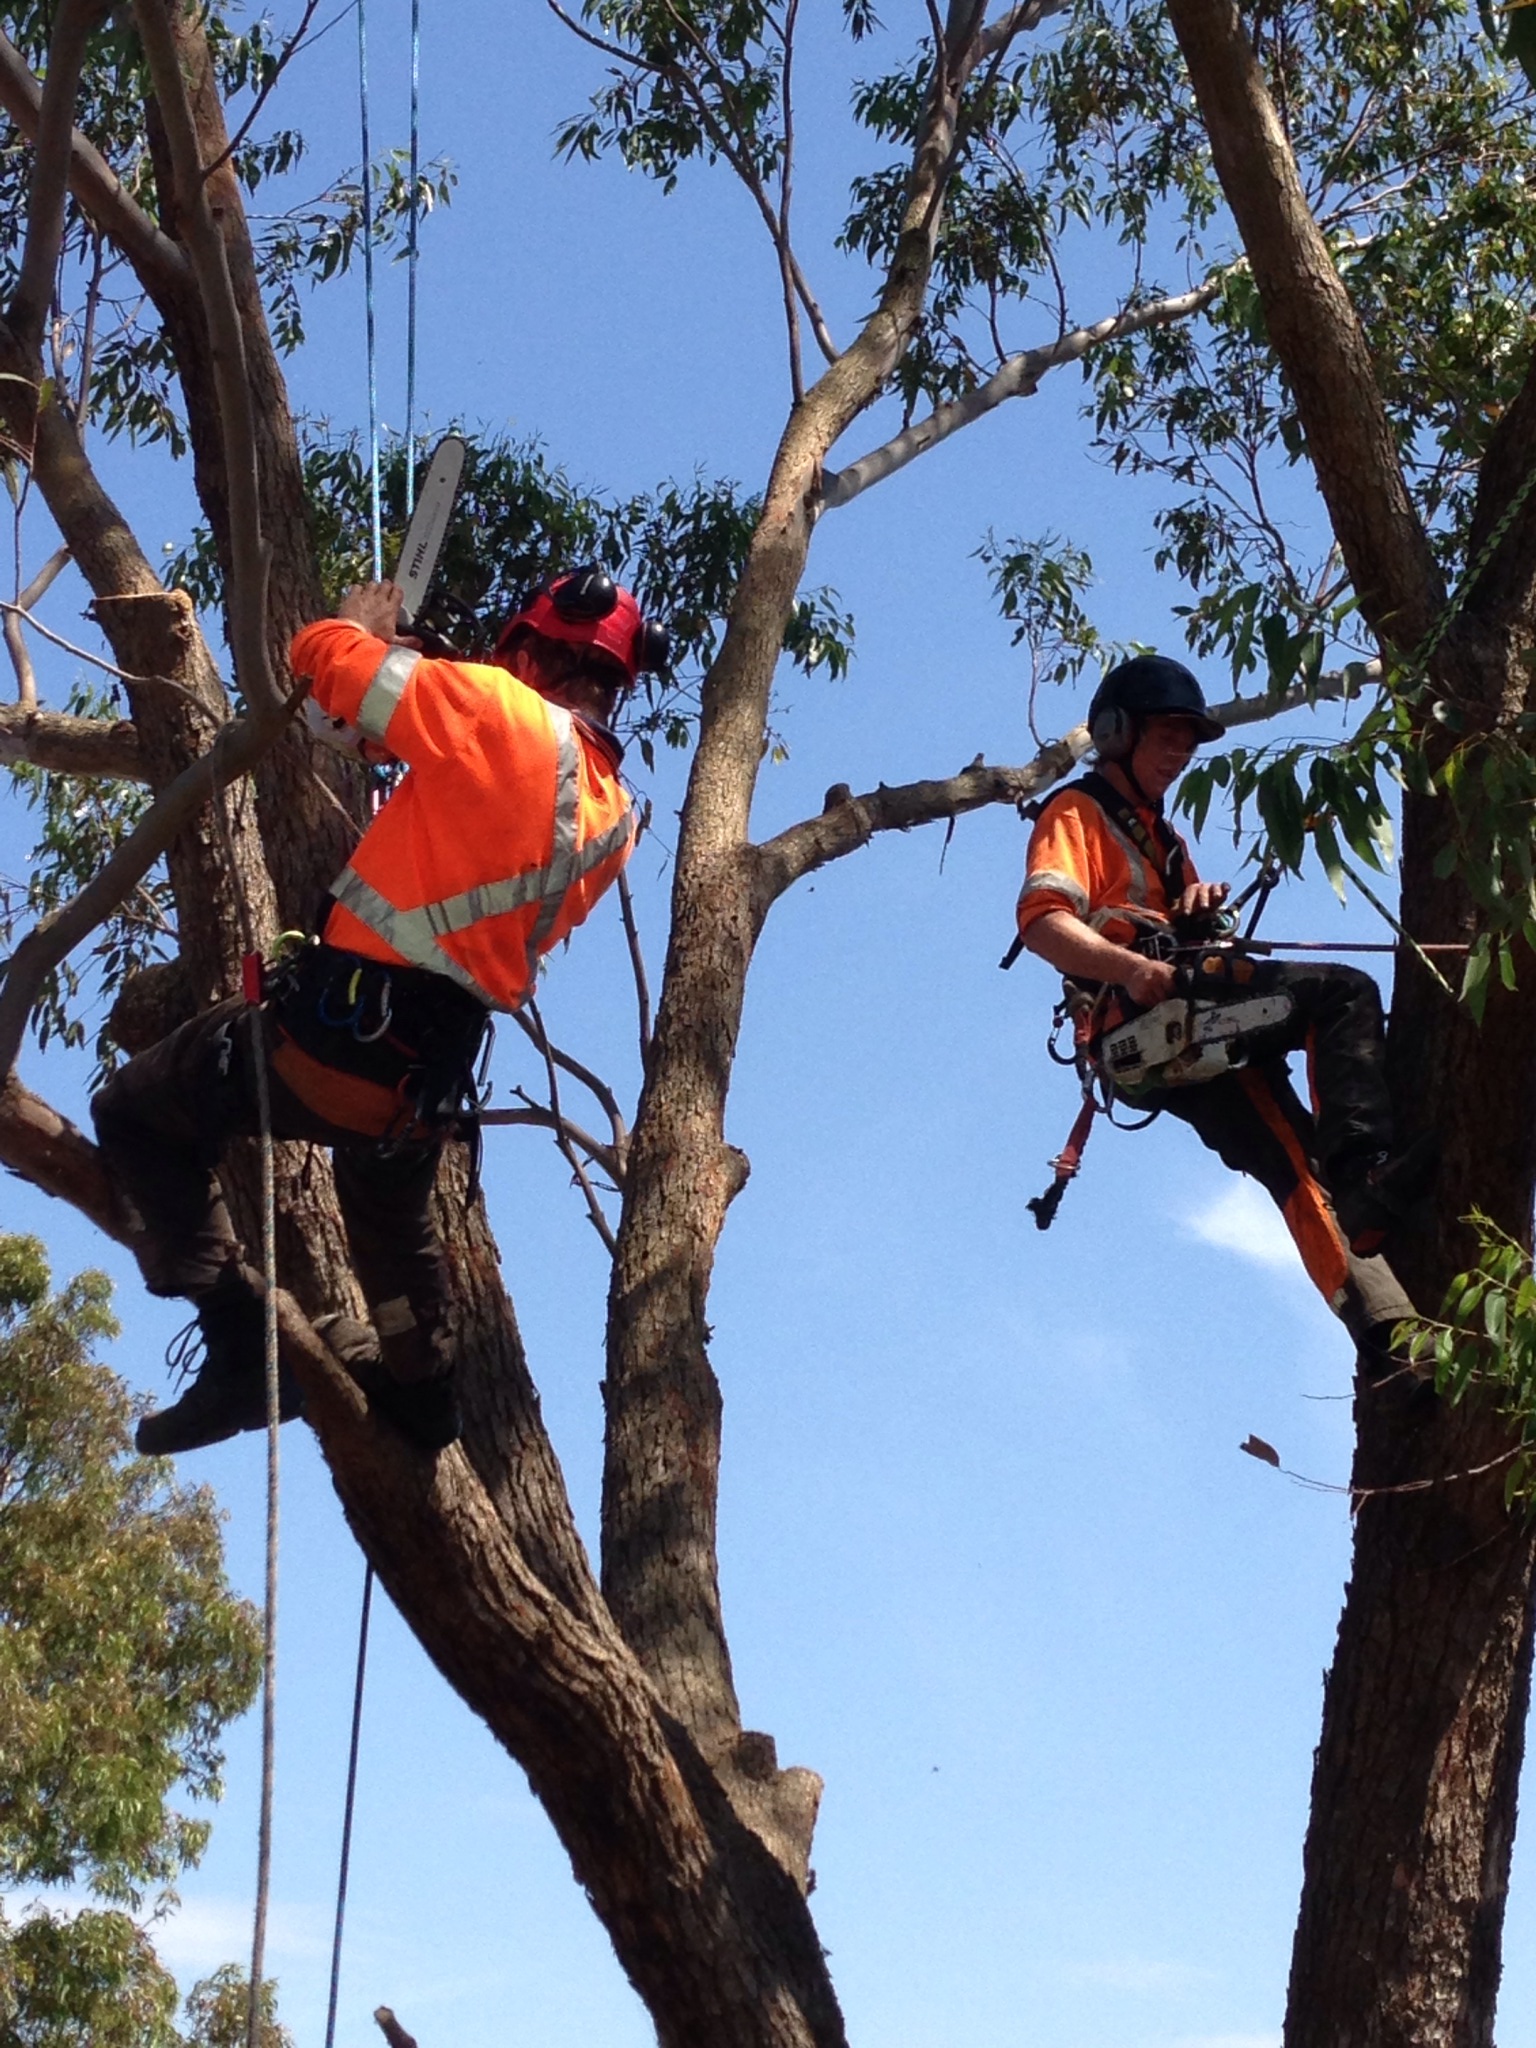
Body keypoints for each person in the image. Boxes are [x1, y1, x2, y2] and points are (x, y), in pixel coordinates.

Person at [95, 565, 665, 1456]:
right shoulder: (612, 813)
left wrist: (359, 629)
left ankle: (240, 1339)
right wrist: (409, 713)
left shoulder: (495, 710)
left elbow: (324, 658)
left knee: (133, 1110)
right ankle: (421, 1392)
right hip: (417, 1087)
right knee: (395, 1246)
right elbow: (473, 813)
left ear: (536, 650)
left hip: (331, 1036)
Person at [1015, 654, 1432, 1350]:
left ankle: (1387, 1335)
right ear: (1118, 731)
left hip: (1190, 1028)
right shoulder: (1076, 812)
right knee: (1342, 993)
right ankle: (1366, 1173)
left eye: (1190, 739)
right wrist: (1129, 969)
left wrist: (1194, 909)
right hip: (1151, 1019)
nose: (1180, 753)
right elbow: (1041, 922)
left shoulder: (1166, 840)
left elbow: (1181, 938)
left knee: (1292, 1158)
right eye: (1167, 735)